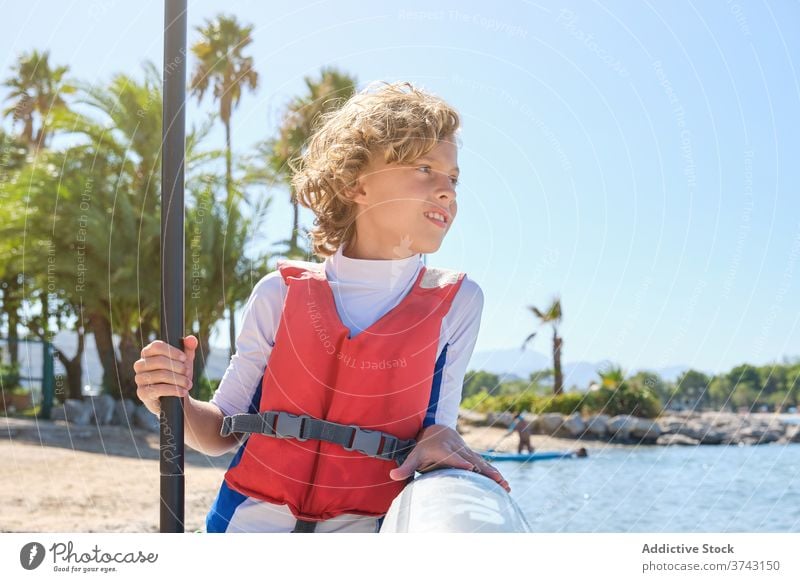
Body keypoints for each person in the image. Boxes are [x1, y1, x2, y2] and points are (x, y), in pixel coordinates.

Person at [134, 81, 509, 533]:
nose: (447, 190)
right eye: (425, 168)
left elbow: (434, 429)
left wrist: (441, 440)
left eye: (453, 178)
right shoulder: (280, 294)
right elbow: (218, 434)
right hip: (243, 529)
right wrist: (170, 399)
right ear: (357, 186)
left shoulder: (458, 304)